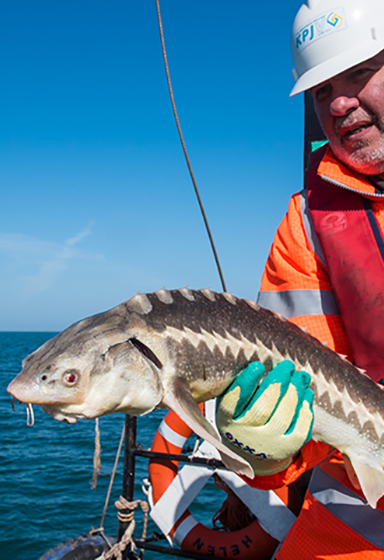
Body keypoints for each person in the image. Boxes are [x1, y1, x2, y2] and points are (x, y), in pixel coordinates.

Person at [216, 0, 384, 557]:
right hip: (357, 523)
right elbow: (302, 402)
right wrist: (264, 452)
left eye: (361, 72)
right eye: (320, 90)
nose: (338, 103)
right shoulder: (306, 224)